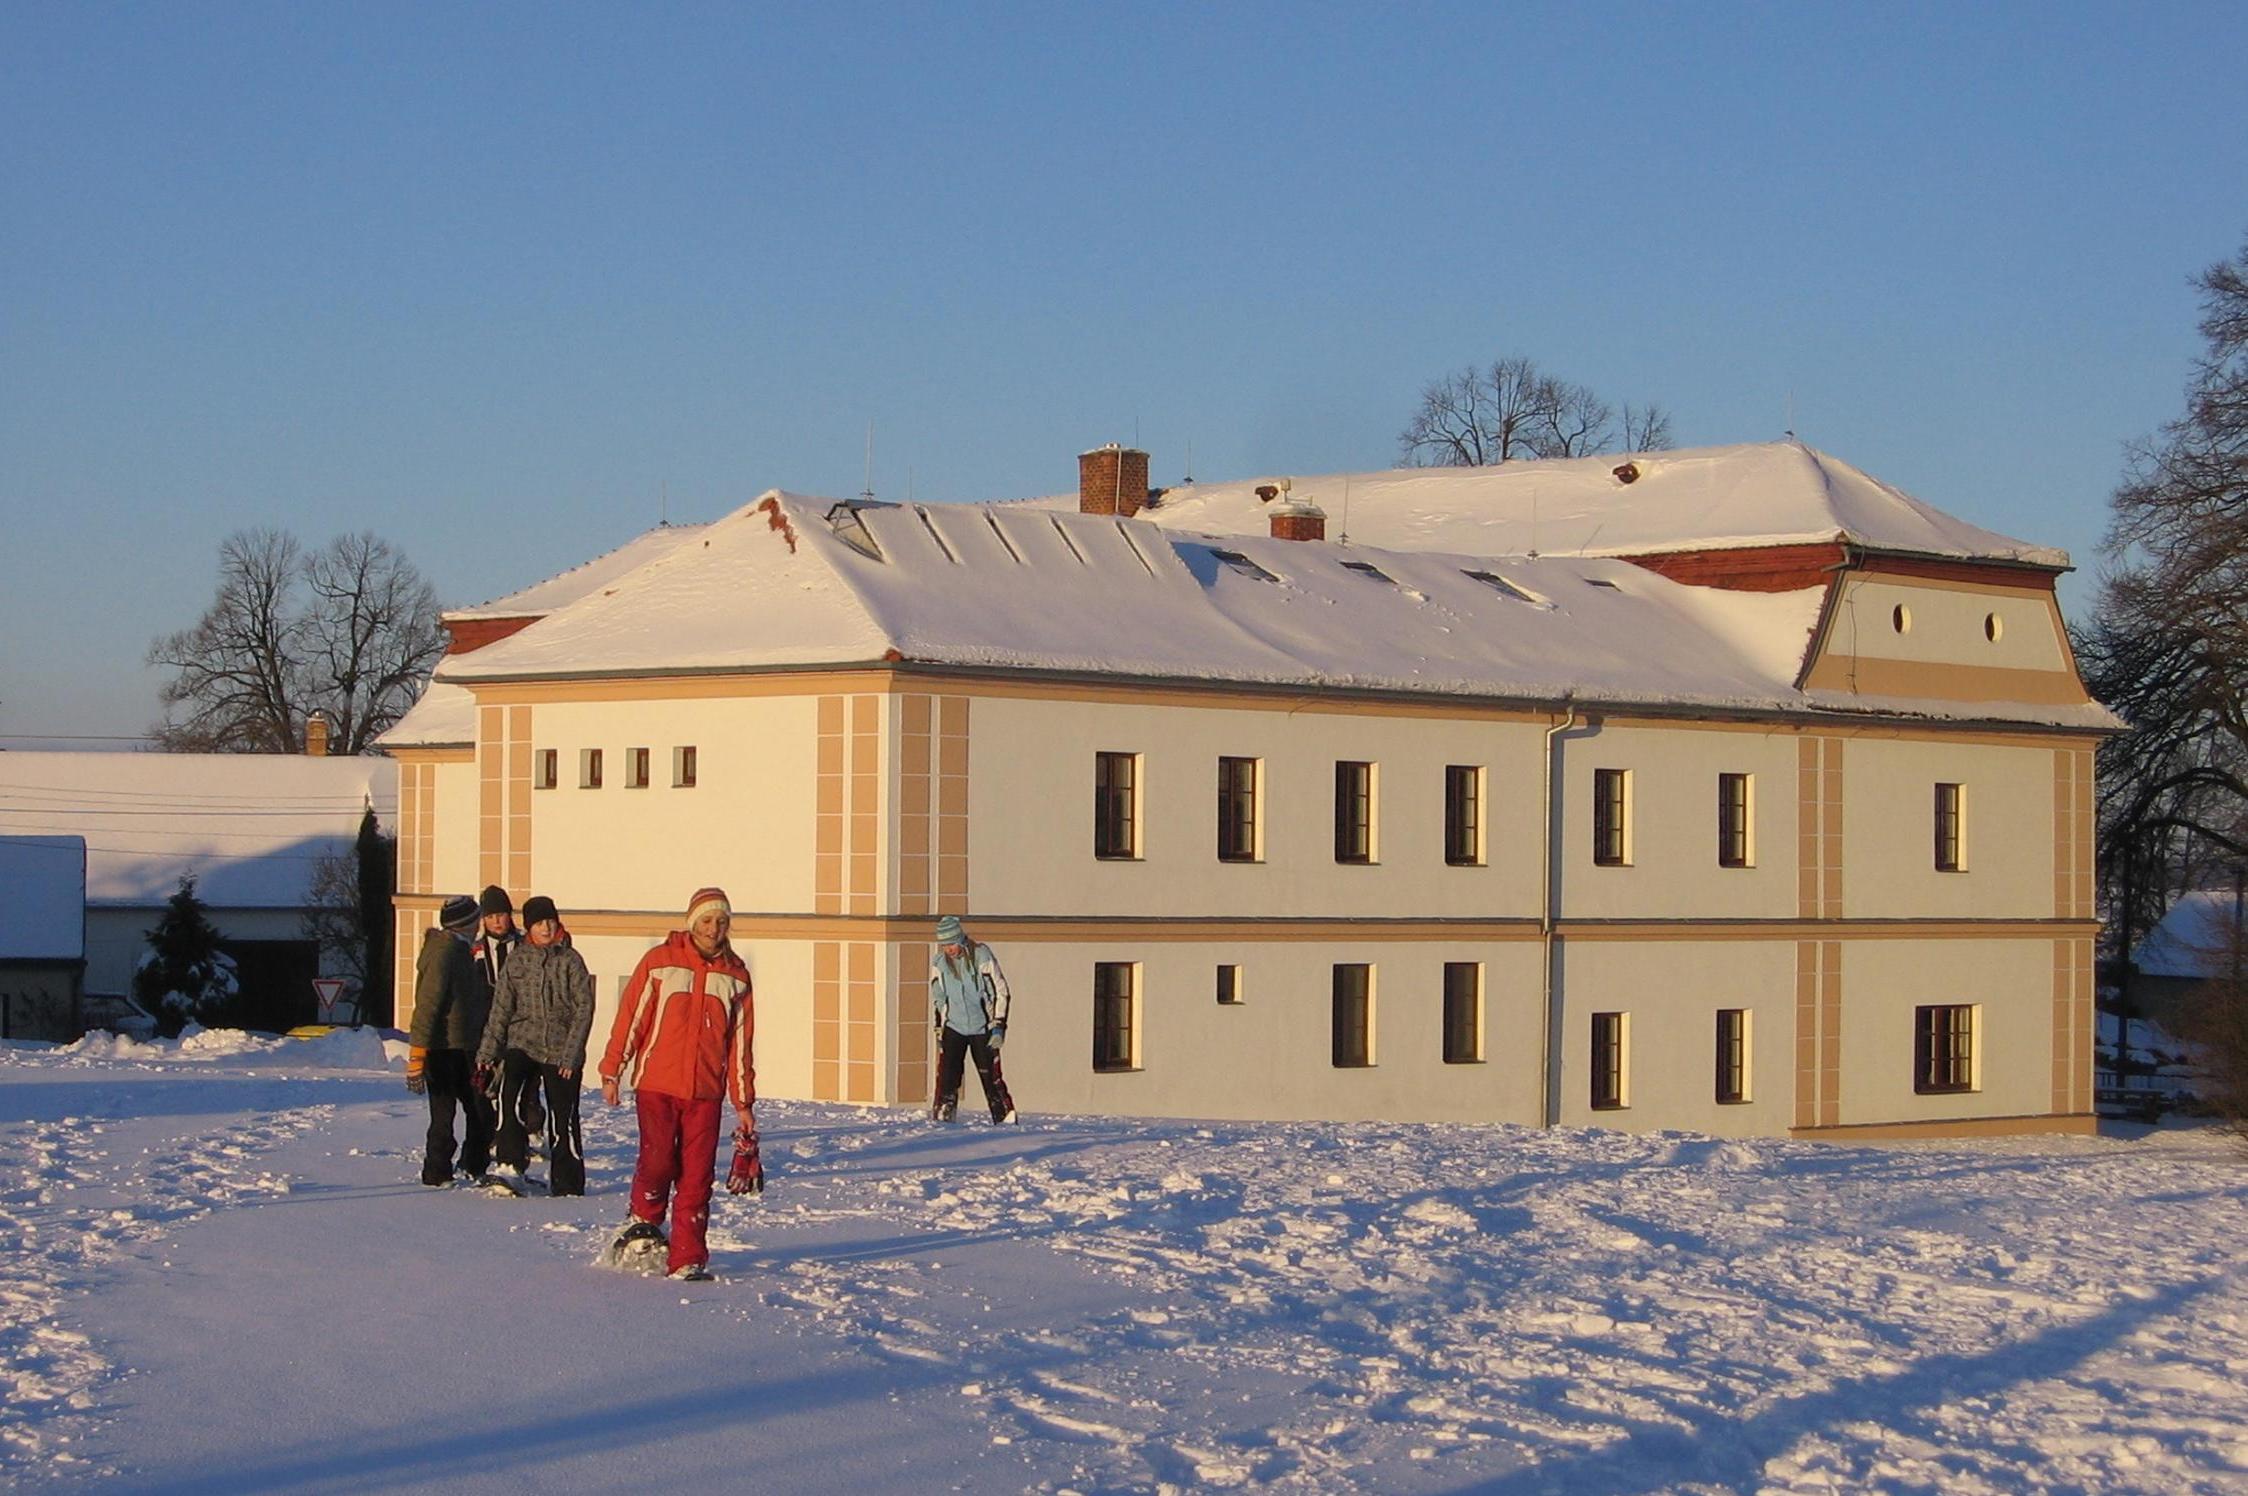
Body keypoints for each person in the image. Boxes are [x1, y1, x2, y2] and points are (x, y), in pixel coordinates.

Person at [599, 887, 761, 1280]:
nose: (714, 929)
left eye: (721, 922)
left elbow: (740, 1044)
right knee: (657, 1162)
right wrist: (613, 1068)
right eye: (707, 921)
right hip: (657, 1084)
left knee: (696, 1176)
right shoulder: (660, 963)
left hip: (705, 1093)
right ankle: (645, 1222)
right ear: (692, 923)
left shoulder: (736, 976)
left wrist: (743, 1103)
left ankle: (688, 1257)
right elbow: (632, 1017)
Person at [475, 896, 595, 1196]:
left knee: (563, 1115)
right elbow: (501, 1008)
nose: (546, 927)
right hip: (523, 1041)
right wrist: (487, 1052)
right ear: (529, 927)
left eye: (551, 921)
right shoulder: (518, 959)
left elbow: (583, 1009)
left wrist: (571, 1055)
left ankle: (567, 1182)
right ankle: (510, 1165)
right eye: (540, 923)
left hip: (560, 1047)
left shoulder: (570, 960)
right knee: (510, 1097)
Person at [405, 893, 494, 1186]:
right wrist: (417, 1055)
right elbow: (428, 1004)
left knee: (472, 1112)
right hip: (448, 1049)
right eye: (476, 919)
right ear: (466, 923)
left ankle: (460, 1167)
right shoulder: (446, 953)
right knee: (463, 1113)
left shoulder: (458, 950)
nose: (480, 923)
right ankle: (441, 1171)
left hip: (461, 1045)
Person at [472, 885, 544, 1142]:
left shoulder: (525, 945)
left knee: (526, 1083)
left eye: (501, 915)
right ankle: (493, 1135)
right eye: (491, 917)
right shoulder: (476, 950)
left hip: (523, 1026)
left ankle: (532, 1128)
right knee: (487, 1085)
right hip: (486, 1026)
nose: (497, 922)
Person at [929, 914, 1017, 1125]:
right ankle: (943, 1116)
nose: (948, 949)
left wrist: (998, 1025)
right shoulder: (939, 964)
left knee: (991, 1077)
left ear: (960, 939)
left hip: (982, 1028)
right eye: (944, 944)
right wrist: (940, 1027)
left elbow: (1001, 990)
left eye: (951, 943)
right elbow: (938, 997)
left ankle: (1004, 1117)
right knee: (948, 1077)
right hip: (954, 1028)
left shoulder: (981, 956)